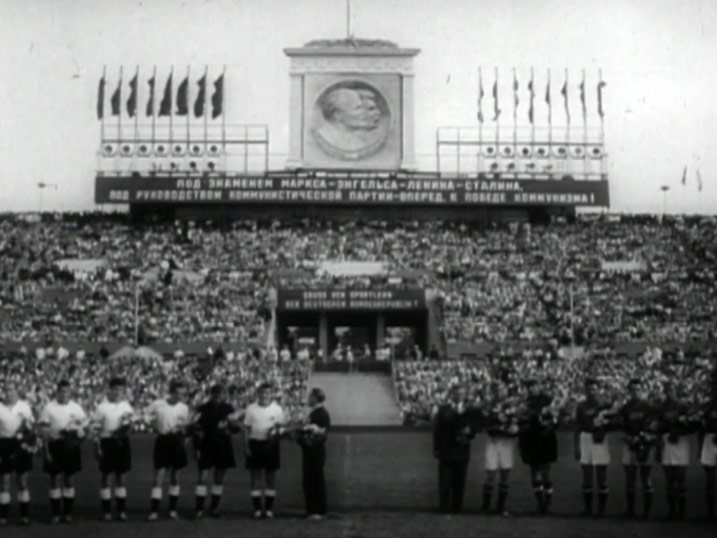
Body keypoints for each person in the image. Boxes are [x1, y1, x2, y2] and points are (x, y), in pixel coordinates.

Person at [39, 380, 89, 523]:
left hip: (71, 446)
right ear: (57, 392)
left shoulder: (76, 408)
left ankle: (67, 513)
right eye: (62, 391)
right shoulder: (49, 408)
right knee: (54, 479)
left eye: (67, 391)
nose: (65, 394)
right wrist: (46, 451)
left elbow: (84, 428)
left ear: (70, 392)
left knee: (69, 479)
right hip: (55, 445)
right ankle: (55, 513)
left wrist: (79, 437)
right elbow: (43, 430)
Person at [145, 380, 190, 521]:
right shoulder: (158, 404)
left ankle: (172, 510)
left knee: (175, 477)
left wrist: (184, 439)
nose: (181, 396)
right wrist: (153, 425)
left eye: (183, 394)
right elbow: (145, 415)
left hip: (177, 441)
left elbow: (185, 426)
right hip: (163, 440)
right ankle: (154, 511)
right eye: (178, 393)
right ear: (171, 392)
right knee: (159, 476)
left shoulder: (184, 408)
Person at [191, 384, 238, 519]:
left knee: (219, 479)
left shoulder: (228, 408)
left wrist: (230, 425)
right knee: (203, 478)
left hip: (223, 446)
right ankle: (199, 509)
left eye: (221, 394)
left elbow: (236, 428)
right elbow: (195, 429)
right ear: (211, 394)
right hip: (206, 445)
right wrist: (196, 448)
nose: (218, 396)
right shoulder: (202, 408)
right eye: (216, 394)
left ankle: (214, 508)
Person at [91, 377, 134, 521]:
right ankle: (107, 511)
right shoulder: (101, 407)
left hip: (122, 443)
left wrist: (128, 428)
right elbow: (96, 429)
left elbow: (130, 426)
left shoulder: (126, 406)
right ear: (109, 390)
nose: (118, 393)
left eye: (121, 390)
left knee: (121, 477)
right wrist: (97, 447)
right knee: (106, 476)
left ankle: (121, 511)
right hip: (107, 442)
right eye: (116, 389)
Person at [433, 385, 480, 514]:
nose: (460, 395)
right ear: (452, 394)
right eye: (457, 393)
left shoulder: (470, 411)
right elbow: (437, 431)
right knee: (445, 481)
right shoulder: (444, 410)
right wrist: (436, 448)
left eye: (462, 393)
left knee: (460, 481)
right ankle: (443, 507)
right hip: (446, 450)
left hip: (462, 450)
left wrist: (470, 432)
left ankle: (457, 507)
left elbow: (475, 428)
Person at [243, 383, 286, 519]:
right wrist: (246, 446)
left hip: (271, 446)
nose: (264, 395)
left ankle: (268, 509)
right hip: (255, 444)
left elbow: (282, 427)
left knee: (270, 478)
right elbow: (246, 429)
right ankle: (257, 509)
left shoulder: (277, 409)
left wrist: (276, 432)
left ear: (271, 394)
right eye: (262, 393)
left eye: (267, 393)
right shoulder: (251, 409)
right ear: (258, 394)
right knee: (255, 478)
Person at [574, 378, 616, 516]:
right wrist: (576, 446)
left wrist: (604, 429)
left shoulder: (604, 405)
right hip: (585, 437)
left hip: (599, 439)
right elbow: (577, 427)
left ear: (598, 390)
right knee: (587, 475)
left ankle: (602, 509)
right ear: (585, 391)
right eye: (589, 389)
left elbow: (613, 421)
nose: (592, 392)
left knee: (601, 474)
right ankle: (588, 509)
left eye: (594, 389)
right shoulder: (581, 406)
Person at [658, 383, 699, 520]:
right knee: (669, 479)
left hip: (681, 442)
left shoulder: (684, 407)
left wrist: (679, 432)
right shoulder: (662, 407)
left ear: (676, 391)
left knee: (681, 477)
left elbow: (694, 426)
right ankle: (671, 511)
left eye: (671, 390)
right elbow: (658, 427)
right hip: (667, 441)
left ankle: (681, 512)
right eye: (667, 390)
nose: (669, 393)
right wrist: (660, 442)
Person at [518, 378, 558, 514]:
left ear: (539, 386)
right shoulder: (525, 402)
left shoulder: (548, 400)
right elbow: (521, 420)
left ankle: (548, 501)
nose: (531, 388)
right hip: (530, 439)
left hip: (545, 439)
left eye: (534, 385)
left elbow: (555, 420)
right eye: (529, 386)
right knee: (535, 472)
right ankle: (540, 503)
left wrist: (549, 424)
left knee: (545, 472)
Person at [620, 378, 657, 518]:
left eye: (638, 389)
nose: (635, 392)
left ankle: (647, 512)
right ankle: (630, 510)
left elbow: (654, 427)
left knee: (646, 477)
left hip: (645, 444)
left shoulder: (648, 408)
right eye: (633, 390)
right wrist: (627, 438)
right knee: (629, 477)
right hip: (630, 444)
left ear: (642, 390)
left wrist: (644, 439)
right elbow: (621, 427)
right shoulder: (625, 408)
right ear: (629, 391)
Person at [0, 383, 35, 525]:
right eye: (7, 390)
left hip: (21, 445)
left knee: (22, 481)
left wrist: (26, 436)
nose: (9, 393)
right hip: (3, 444)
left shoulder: (24, 407)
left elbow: (31, 427)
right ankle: (3, 516)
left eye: (12, 390)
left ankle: (24, 516)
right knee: (4, 482)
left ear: (17, 392)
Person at [482, 382, 519, 515]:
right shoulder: (489, 406)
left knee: (505, 474)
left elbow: (516, 424)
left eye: (502, 389)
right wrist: (502, 428)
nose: (500, 392)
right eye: (497, 390)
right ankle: (486, 506)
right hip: (493, 442)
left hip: (506, 443)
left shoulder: (511, 406)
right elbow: (487, 426)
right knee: (491, 473)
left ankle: (501, 507)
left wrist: (514, 429)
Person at [296, 388, 331, 520]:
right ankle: (312, 510)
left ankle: (318, 510)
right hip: (310, 451)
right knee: (310, 480)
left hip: (315, 451)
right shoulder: (316, 412)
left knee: (315, 480)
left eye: (310, 396)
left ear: (316, 398)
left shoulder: (321, 414)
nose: (308, 399)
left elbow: (321, 434)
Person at [699, 381, 717, 519]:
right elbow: (701, 428)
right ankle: (710, 512)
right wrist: (700, 447)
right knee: (710, 478)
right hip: (709, 441)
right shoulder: (707, 407)